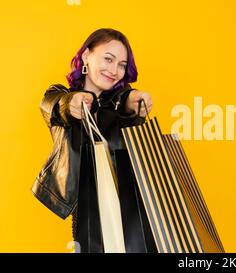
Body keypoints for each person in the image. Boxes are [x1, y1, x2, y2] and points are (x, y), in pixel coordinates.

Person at [32, 28, 156, 253]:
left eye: (121, 64)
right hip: (89, 213)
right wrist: (73, 102)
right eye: (108, 59)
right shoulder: (59, 95)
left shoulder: (122, 103)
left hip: (134, 211)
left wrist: (134, 102)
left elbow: (126, 101)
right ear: (86, 56)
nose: (114, 70)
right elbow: (56, 105)